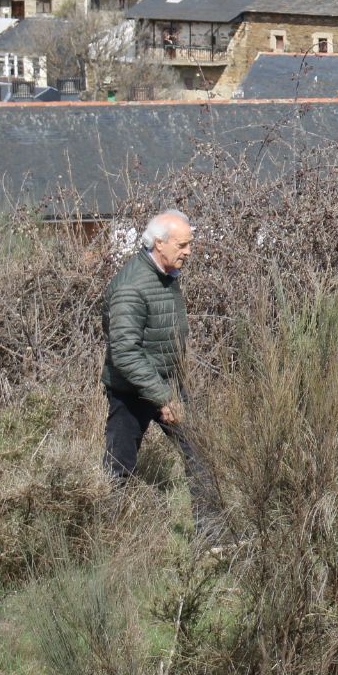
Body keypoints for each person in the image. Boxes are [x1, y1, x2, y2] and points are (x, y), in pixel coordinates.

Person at [101, 208, 222, 545]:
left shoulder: (166, 275)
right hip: (130, 391)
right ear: (159, 243)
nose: (189, 251)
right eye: (182, 245)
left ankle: (212, 538)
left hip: (167, 383)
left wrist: (170, 390)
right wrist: (163, 397)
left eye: (189, 244)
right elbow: (124, 352)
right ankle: (106, 540)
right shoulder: (131, 286)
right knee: (118, 468)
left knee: (200, 453)